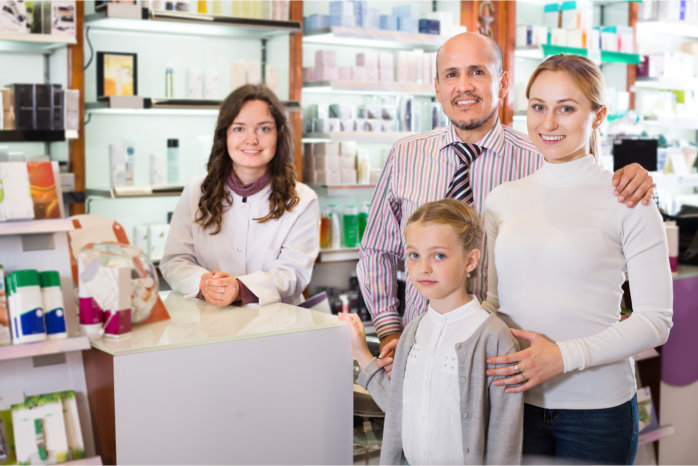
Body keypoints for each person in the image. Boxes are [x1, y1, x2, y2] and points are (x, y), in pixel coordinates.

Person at [357, 32, 655, 351]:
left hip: (516, 353)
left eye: (477, 72)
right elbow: (377, 249)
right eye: (451, 74)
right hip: (423, 342)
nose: (464, 86)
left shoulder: (542, 153)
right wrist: (389, 330)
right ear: (438, 87)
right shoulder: (405, 155)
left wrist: (633, 177)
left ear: (502, 84)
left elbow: (592, 210)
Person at [481, 54, 673, 464]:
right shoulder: (502, 200)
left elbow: (656, 321)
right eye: (538, 107)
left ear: (598, 115)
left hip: (598, 413)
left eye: (566, 108)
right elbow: (491, 305)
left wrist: (562, 357)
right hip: (515, 404)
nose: (548, 123)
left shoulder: (628, 198)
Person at [340, 199, 523, 465]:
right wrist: (360, 351)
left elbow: (505, 437)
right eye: (414, 255)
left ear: (471, 260)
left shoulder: (494, 338)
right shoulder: (413, 331)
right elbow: (398, 407)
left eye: (439, 255)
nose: (423, 267)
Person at [160, 84, 319, 306]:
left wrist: (240, 288)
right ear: (224, 135)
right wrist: (204, 283)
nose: (252, 139)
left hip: (277, 325)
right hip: (209, 320)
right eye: (239, 129)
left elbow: (293, 272)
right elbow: (175, 261)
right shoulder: (196, 191)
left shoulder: (302, 199)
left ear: (279, 135)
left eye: (264, 129)